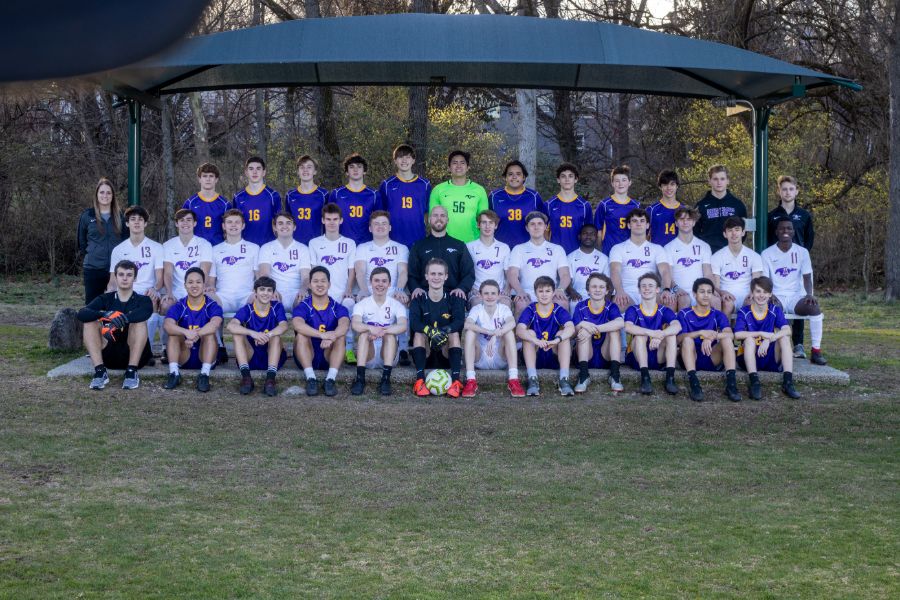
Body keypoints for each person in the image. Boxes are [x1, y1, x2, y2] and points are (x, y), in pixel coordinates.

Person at [77, 260, 153, 390]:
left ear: (135, 278)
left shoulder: (143, 300)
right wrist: (104, 315)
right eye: (121, 274)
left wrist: (122, 318)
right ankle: (100, 372)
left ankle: (131, 372)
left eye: (129, 275)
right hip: (109, 354)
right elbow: (82, 313)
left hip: (134, 354)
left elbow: (146, 312)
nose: (125, 278)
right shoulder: (106, 298)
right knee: (90, 322)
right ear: (116, 277)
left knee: (139, 322)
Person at [761, 217, 826, 365]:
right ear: (776, 232)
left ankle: (816, 351)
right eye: (782, 228)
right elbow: (765, 280)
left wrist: (810, 294)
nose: (785, 231)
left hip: (796, 296)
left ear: (793, 231)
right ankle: (775, 352)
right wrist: (770, 295)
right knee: (773, 310)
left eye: (789, 228)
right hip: (776, 295)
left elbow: (807, 277)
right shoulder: (767, 253)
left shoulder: (802, 252)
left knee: (814, 308)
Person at [766, 175, 815, 358]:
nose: (788, 192)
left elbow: (809, 239)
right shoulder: (772, 215)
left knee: (802, 298)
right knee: (776, 302)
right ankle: (779, 340)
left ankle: (799, 344)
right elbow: (768, 240)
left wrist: (801, 258)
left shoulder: (804, 215)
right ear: (779, 191)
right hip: (778, 264)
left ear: (797, 191)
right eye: (784, 189)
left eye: (791, 189)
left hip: (798, 265)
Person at [734, 276, 800, 400]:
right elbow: (738, 335)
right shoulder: (744, 311)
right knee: (748, 340)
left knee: (784, 338)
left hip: (769, 355)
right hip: (749, 355)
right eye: (758, 291)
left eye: (765, 292)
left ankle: (788, 382)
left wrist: (770, 339)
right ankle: (754, 382)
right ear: (752, 293)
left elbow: (788, 330)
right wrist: (762, 334)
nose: (761, 295)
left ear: (770, 294)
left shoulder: (775, 310)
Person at [676, 277, 742, 402]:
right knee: (687, 340)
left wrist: (712, 336)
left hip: (711, 355)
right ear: (695, 294)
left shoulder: (718, 314)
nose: (706, 295)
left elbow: (730, 334)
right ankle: (694, 383)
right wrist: (700, 333)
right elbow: (678, 339)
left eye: (709, 292)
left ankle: (731, 384)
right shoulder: (684, 313)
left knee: (726, 340)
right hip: (690, 356)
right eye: (702, 291)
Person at [108, 206, 164, 349]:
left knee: (149, 302)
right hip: (126, 292)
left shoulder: (156, 247)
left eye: (140, 219)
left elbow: (160, 278)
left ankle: (147, 349)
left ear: (145, 223)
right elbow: (113, 280)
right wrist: (108, 295)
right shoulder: (118, 250)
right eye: (133, 219)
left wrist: (155, 288)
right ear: (127, 223)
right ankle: (116, 346)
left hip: (147, 291)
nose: (137, 222)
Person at [410, 258, 467, 398]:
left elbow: (459, 321)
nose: (436, 277)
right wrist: (430, 331)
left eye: (440, 274)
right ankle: (420, 381)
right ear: (426, 276)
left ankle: (455, 382)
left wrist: (443, 331)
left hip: (447, 351)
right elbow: (414, 322)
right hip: (426, 352)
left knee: (454, 333)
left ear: (446, 276)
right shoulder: (418, 298)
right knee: (419, 333)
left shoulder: (454, 298)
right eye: (433, 273)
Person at [309, 202, 358, 364]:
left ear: (341, 221)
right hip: (322, 293)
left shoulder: (349, 243)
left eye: (335, 219)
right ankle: (315, 348)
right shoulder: (314, 243)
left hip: (341, 292)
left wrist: (349, 289)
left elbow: (351, 270)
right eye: (328, 219)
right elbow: (314, 271)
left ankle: (349, 349)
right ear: (322, 221)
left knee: (349, 303)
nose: (331, 222)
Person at [292, 266, 351, 397]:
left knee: (341, 336)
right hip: (307, 354)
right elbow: (297, 324)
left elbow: (344, 325)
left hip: (328, 355)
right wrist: (322, 335)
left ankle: (330, 379)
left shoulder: (338, 307)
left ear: (329, 284)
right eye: (316, 281)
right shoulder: (303, 306)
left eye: (323, 281)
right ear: (309, 284)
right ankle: (310, 378)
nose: (319, 284)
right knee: (301, 335)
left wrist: (333, 336)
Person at [162, 267, 222, 392]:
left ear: (204, 285)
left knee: (210, 333)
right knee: (173, 334)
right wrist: (186, 332)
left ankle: (205, 374)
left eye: (198, 282)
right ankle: (174, 373)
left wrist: (196, 335)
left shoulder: (212, 305)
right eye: (190, 282)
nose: (194, 285)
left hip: (205, 354)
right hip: (185, 353)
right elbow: (167, 325)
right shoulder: (179, 305)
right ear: (185, 285)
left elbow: (215, 324)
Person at [351, 267, 408, 396]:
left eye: (384, 281)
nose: (380, 284)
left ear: (389, 283)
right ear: (371, 283)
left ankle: (386, 379)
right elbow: (355, 324)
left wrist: (384, 331)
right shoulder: (362, 304)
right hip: (368, 352)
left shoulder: (396, 304)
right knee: (364, 334)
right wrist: (371, 328)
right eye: (376, 281)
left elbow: (403, 326)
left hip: (387, 352)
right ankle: (360, 379)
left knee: (390, 335)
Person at [227, 276, 288, 397]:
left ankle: (270, 379)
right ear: (255, 292)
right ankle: (246, 378)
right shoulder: (248, 309)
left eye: (269, 290)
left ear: (273, 293)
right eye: (262, 289)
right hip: (251, 355)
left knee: (276, 336)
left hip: (271, 354)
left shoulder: (276, 307)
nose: (265, 293)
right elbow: (231, 326)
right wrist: (253, 333)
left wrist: (267, 335)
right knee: (237, 334)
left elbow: (284, 325)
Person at [516, 275, 576, 396]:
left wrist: (557, 340)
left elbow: (571, 328)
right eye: (541, 291)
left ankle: (564, 379)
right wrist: (536, 340)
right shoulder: (530, 309)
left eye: (548, 291)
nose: (544, 294)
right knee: (529, 333)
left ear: (553, 293)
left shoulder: (558, 310)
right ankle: (532, 379)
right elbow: (519, 330)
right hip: (536, 353)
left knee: (562, 333)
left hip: (554, 354)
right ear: (535, 293)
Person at [461, 279, 523, 397]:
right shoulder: (477, 309)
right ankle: (471, 380)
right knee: (470, 332)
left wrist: (496, 334)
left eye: (493, 293)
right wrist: (488, 331)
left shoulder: (503, 309)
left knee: (508, 332)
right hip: (480, 357)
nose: (490, 296)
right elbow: (467, 324)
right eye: (486, 293)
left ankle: (514, 379)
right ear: (480, 295)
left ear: (499, 295)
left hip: (500, 356)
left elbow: (512, 323)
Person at [624, 272, 681, 395]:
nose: (647, 288)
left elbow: (677, 326)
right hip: (637, 357)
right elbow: (628, 327)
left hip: (658, 355)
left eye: (650, 285)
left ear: (657, 289)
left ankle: (670, 378)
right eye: (643, 286)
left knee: (671, 336)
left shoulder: (664, 310)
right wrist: (652, 333)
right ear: (639, 290)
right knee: (640, 336)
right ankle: (645, 378)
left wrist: (661, 335)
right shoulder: (633, 309)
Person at [507, 211, 571, 315]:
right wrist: (520, 291)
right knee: (521, 303)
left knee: (562, 302)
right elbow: (512, 274)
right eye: (532, 224)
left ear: (546, 227)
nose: (536, 227)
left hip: (550, 292)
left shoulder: (557, 249)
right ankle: (521, 331)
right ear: (527, 228)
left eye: (540, 224)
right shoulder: (519, 249)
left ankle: (563, 331)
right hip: (527, 291)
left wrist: (560, 289)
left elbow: (565, 274)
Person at [609, 208, 674, 310]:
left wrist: (666, 289)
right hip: (628, 291)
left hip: (652, 291)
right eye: (634, 221)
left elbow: (665, 271)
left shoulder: (657, 249)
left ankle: (665, 326)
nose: (638, 224)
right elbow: (614, 271)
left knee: (670, 300)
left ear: (647, 225)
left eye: (642, 221)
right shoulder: (617, 248)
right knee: (619, 303)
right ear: (629, 225)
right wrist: (619, 291)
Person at [408, 205, 475, 300]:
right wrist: (415, 288)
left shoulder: (459, 245)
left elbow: (469, 272)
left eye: (442, 215)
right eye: (435, 215)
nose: (439, 218)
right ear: (429, 220)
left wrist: (462, 288)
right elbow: (411, 274)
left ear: (447, 220)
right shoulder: (418, 246)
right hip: (425, 296)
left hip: (453, 295)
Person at [77, 177, 127, 304]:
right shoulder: (87, 216)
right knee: (93, 309)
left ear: (113, 196)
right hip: (94, 269)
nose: (105, 195)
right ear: (97, 195)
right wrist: (94, 254)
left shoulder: (121, 217)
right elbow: (81, 242)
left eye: (108, 192)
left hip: (117, 271)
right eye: (102, 192)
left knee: (115, 309)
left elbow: (126, 242)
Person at [572, 273, 624, 393]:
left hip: (605, 354)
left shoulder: (611, 307)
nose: (597, 290)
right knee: (583, 329)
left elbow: (620, 323)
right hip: (585, 355)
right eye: (594, 286)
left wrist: (594, 328)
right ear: (588, 290)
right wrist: (581, 325)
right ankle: (584, 375)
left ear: (607, 291)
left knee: (614, 330)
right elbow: (573, 333)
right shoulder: (580, 306)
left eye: (601, 287)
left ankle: (615, 375)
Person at [377, 144, 431, 249]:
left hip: (418, 239)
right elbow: (381, 213)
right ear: (395, 160)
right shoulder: (387, 184)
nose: (404, 160)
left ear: (413, 160)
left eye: (408, 157)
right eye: (400, 157)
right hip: (393, 240)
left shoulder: (424, 184)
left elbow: (427, 213)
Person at [161, 208, 213, 316]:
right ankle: (167, 333)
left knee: (207, 305)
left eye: (189, 220)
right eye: (181, 220)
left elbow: (204, 272)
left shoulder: (205, 244)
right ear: (176, 223)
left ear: (195, 223)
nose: (185, 223)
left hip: (197, 289)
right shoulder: (168, 245)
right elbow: (168, 273)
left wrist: (198, 291)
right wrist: (169, 292)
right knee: (166, 305)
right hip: (176, 290)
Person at [429, 150, 489, 243]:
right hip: (445, 242)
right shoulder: (438, 190)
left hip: (472, 243)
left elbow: (484, 220)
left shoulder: (479, 190)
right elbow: (433, 219)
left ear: (468, 167)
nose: (458, 166)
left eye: (462, 163)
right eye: (454, 163)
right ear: (449, 167)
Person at [207, 209, 260, 314]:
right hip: (222, 296)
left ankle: (253, 331)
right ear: (224, 226)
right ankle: (210, 330)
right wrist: (211, 288)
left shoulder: (254, 248)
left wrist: (257, 290)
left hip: (246, 296)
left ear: (243, 226)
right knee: (207, 301)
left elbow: (258, 276)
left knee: (261, 299)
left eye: (237, 222)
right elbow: (211, 280)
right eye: (229, 222)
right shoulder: (215, 250)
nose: (233, 225)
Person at [664, 206, 716, 311]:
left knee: (716, 300)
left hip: (700, 291)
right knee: (684, 299)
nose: (685, 222)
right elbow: (668, 276)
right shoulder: (668, 247)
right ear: (676, 223)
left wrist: (712, 290)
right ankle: (681, 327)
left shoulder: (704, 246)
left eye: (689, 219)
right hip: (678, 290)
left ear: (694, 222)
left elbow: (708, 274)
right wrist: (676, 289)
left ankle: (716, 327)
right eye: (682, 219)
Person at [256, 211, 311, 311]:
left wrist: (303, 290)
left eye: (288, 223)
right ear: (274, 227)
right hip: (276, 292)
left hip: (296, 292)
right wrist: (272, 290)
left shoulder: (303, 249)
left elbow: (306, 277)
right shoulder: (266, 248)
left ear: (294, 227)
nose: (284, 226)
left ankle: (299, 324)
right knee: (267, 298)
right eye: (280, 223)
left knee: (304, 303)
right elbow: (264, 274)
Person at [710, 216, 764, 316]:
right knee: (727, 304)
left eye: (737, 229)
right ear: (725, 234)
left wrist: (753, 293)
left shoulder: (754, 256)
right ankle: (725, 330)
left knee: (753, 302)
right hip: (727, 296)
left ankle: (745, 331)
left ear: (743, 232)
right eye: (730, 230)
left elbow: (756, 282)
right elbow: (716, 285)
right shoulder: (716, 257)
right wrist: (722, 292)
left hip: (747, 296)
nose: (734, 233)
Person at [354, 210, 409, 304]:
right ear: (370, 228)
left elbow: (403, 271)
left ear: (390, 227)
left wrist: (399, 290)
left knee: (402, 299)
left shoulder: (401, 248)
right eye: (376, 224)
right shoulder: (362, 248)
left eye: (384, 223)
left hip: (392, 292)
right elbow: (360, 272)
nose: (380, 226)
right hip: (370, 291)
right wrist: (364, 291)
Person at [488, 159, 545, 248]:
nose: (514, 177)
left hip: (527, 248)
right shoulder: (494, 196)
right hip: (500, 248)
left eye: (518, 174)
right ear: (505, 177)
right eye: (510, 174)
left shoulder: (534, 196)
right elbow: (487, 222)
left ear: (524, 177)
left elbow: (543, 223)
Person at [328, 153, 379, 245]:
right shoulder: (336, 194)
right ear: (347, 172)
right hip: (341, 244)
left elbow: (379, 221)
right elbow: (329, 221)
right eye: (351, 167)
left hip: (366, 244)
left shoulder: (374, 195)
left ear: (364, 171)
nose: (355, 169)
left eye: (359, 167)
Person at [231, 156, 282, 246]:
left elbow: (279, 223)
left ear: (264, 172)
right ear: (246, 172)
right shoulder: (238, 197)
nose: (254, 172)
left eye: (258, 168)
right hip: (245, 247)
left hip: (268, 246)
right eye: (251, 169)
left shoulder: (273, 196)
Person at [696, 164, 747, 253]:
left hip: (731, 253)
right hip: (707, 254)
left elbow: (744, 231)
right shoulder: (701, 205)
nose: (719, 182)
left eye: (722, 179)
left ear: (728, 181)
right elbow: (695, 232)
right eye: (715, 179)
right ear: (709, 181)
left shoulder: (738, 205)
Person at [466, 209, 511, 308]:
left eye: (491, 223)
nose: (487, 226)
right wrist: (471, 289)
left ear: (496, 226)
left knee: (505, 303)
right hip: (477, 292)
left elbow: (508, 273)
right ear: (478, 225)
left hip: (498, 292)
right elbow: (465, 272)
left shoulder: (504, 247)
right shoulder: (469, 247)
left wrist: (507, 289)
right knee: (477, 304)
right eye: (484, 222)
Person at [544, 163, 593, 254]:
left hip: (578, 255)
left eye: (570, 176)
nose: (567, 179)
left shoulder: (585, 206)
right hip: (554, 255)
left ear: (576, 179)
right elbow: (544, 232)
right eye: (563, 176)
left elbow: (589, 233)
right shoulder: (548, 204)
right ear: (558, 180)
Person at [593, 165, 640, 255]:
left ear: (630, 182)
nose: (620, 184)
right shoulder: (604, 204)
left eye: (624, 180)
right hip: (609, 252)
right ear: (612, 183)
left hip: (630, 253)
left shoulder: (636, 206)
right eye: (617, 181)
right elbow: (598, 231)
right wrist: (601, 250)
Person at [182, 162, 230, 246]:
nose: (208, 179)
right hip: (196, 248)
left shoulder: (225, 204)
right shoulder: (190, 203)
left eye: (211, 176)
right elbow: (183, 227)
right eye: (204, 176)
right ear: (199, 179)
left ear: (216, 179)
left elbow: (230, 229)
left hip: (218, 248)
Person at [285, 154, 329, 244]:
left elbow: (330, 221)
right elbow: (288, 221)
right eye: (302, 167)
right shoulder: (290, 195)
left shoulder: (324, 194)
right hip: (295, 244)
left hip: (318, 244)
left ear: (315, 171)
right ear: (298, 171)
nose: (305, 170)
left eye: (309, 167)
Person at [566, 223, 610, 311]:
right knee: (575, 304)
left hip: (598, 293)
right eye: (585, 233)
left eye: (592, 234)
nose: (588, 236)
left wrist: (606, 298)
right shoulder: (570, 257)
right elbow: (567, 281)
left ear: (596, 237)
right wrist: (572, 292)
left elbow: (608, 282)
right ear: (579, 236)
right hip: (578, 294)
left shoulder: (604, 258)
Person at [647, 169, 682, 247]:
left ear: (677, 186)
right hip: (657, 257)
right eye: (665, 184)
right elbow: (644, 237)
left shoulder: (683, 211)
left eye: (672, 184)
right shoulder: (651, 210)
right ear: (660, 186)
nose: (669, 188)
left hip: (677, 256)